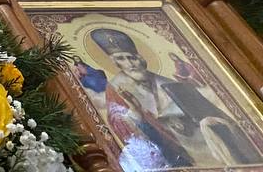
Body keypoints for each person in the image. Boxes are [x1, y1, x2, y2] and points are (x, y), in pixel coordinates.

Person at [90, 27, 261, 169]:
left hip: (200, 145)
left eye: (132, 57)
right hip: (168, 152)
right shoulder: (115, 88)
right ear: (115, 63)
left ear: (141, 59)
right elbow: (118, 125)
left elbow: (206, 109)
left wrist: (205, 121)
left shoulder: (167, 83)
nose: (130, 64)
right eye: (121, 59)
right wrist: (136, 113)